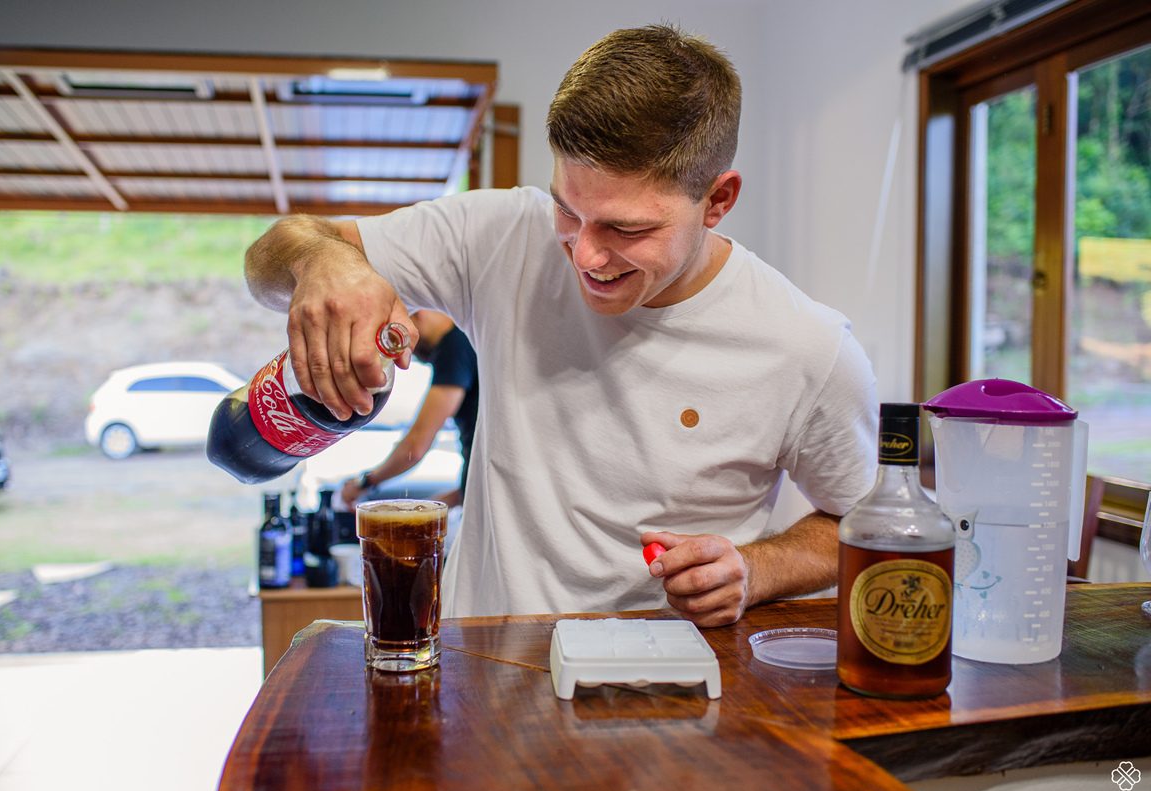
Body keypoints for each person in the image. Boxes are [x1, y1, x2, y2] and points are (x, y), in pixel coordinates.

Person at [243, 24, 878, 628]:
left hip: (666, 698)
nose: (586, 255)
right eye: (567, 210)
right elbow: (269, 257)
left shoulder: (808, 350)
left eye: (627, 229)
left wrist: (756, 568)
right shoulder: (499, 236)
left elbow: (865, 528)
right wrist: (321, 261)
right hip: (482, 671)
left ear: (718, 200)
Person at [339, 309, 478, 509]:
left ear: (417, 313)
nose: (404, 350)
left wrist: (363, 483)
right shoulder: (470, 342)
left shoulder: (454, 344)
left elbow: (415, 448)